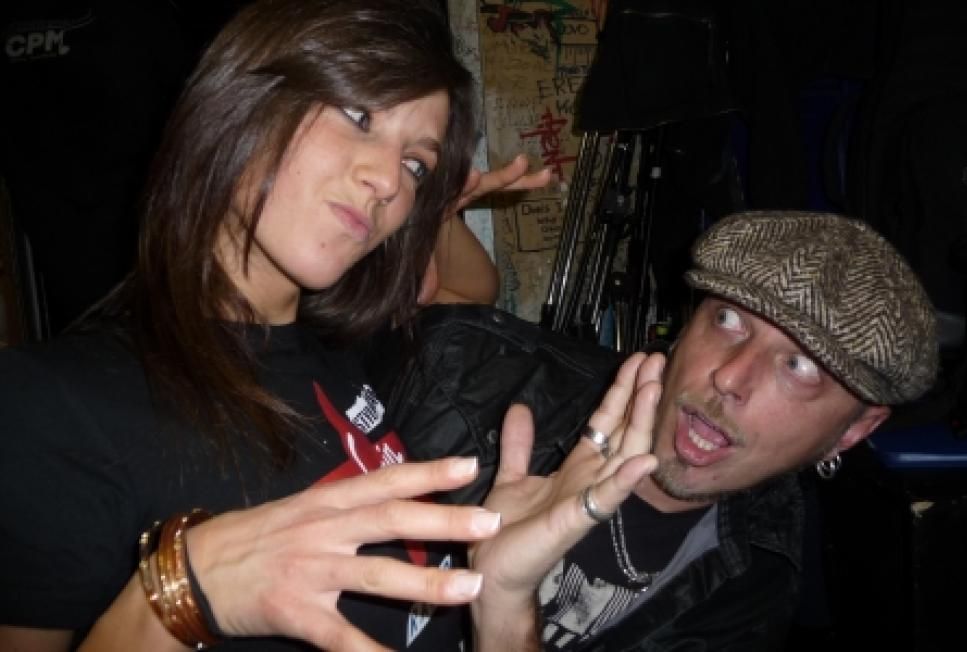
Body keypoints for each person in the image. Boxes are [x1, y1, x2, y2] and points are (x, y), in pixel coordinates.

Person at [0, 1, 656, 650]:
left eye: (416, 165)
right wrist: (187, 593)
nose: (388, 182)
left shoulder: (338, 352)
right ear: (244, 99)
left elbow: (468, 291)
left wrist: (503, 606)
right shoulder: (52, 408)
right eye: (359, 115)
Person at [522, 210, 939, 650]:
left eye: (800, 366)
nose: (730, 378)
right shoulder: (494, 386)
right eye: (728, 319)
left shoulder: (750, 597)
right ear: (686, 325)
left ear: (851, 432)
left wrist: (505, 608)